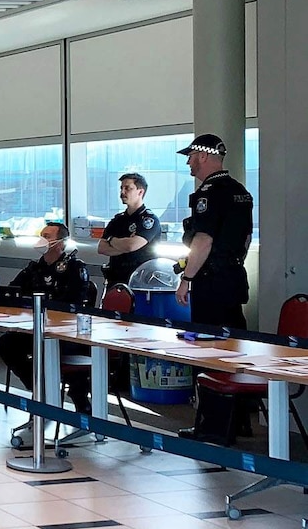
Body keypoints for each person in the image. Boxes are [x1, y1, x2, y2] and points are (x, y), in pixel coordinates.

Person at [174, 134, 254, 441]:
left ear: (204, 156)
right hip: (234, 277)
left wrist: (187, 278)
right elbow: (244, 240)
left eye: (191, 156)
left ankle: (212, 426)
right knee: (235, 348)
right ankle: (241, 420)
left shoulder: (209, 193)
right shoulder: (240, 192)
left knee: (208, 351)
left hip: (211, 281)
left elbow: (203, 240)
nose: (189, 162)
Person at [0, 222, 94, 414]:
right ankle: (42, 390)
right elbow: (12, 290)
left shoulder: (75, 268)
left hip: (66, 333)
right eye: (42, 235)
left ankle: (79, 398)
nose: (42, 240)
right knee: (6, 344)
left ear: (60, 243)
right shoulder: (35, 268)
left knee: (47, 349)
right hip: (38, 329)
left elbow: (74, 304)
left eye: (47, 236)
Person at [97, 173, 161, 288]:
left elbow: (131, 246)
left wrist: (112, 240)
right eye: (121, 188)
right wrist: (123, 244)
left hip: (140, 281)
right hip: (116, 279)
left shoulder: (148, 220)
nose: (122, 192)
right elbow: (101, 248)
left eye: (128, 188)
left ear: (140, 192)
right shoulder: (118, 220)